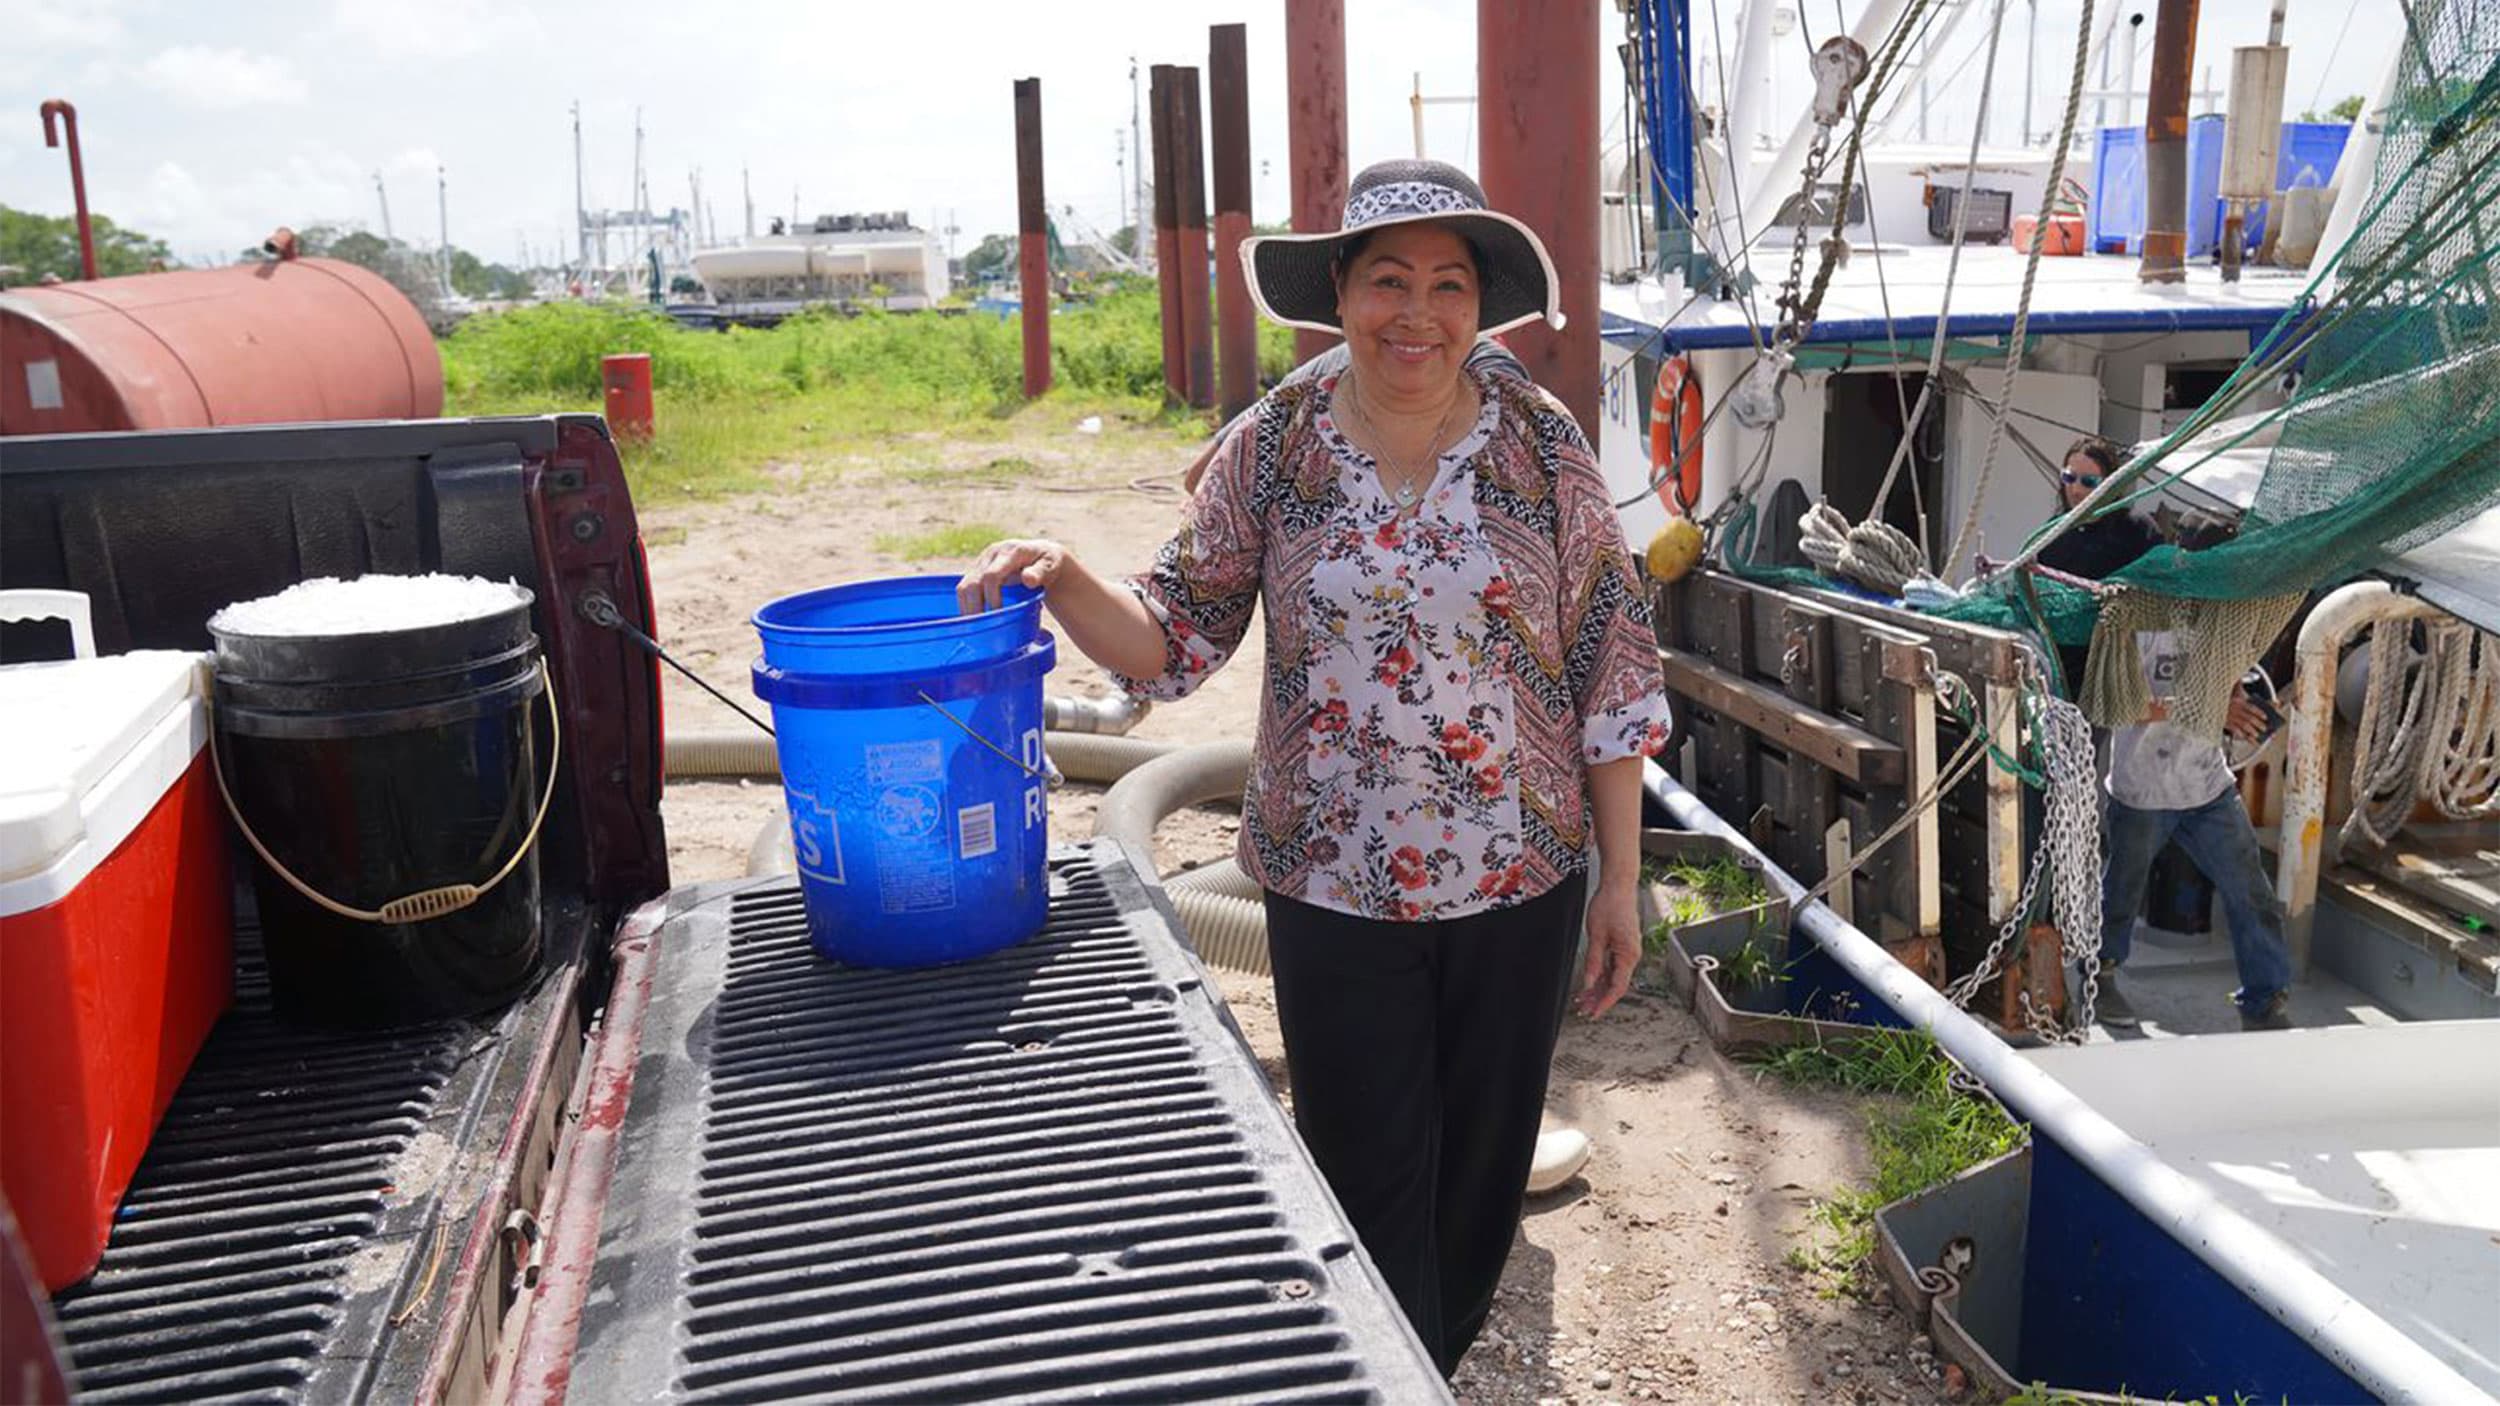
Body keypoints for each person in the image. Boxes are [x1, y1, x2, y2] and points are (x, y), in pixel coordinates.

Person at [958, 158, 1671, 1375]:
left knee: (1479, 1177)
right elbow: (1173, 632)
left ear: (1478, 304)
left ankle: (1424, 1364)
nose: (1417, 311)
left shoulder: (1540, 447)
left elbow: (1608, 661)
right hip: (1328, 880)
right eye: (1387, 278)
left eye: (1448, 284)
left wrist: (1617, 875)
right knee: (1362, 1167)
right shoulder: (1276, 442)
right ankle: (1386, 1369)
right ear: (1339, 292)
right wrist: (1063, 573)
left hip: (1521, 876)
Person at [2094, 635, 2295, 1032]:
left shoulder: (2223, 622)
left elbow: (2231, 690)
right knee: (2121, 893)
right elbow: (2119, 705)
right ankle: (2099, 978)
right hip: (2143, 788)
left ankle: (2265, 998)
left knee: (2252, 893)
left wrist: (2243, 711)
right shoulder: (2135, 621)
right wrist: (2210, 709)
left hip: (2208, 787)